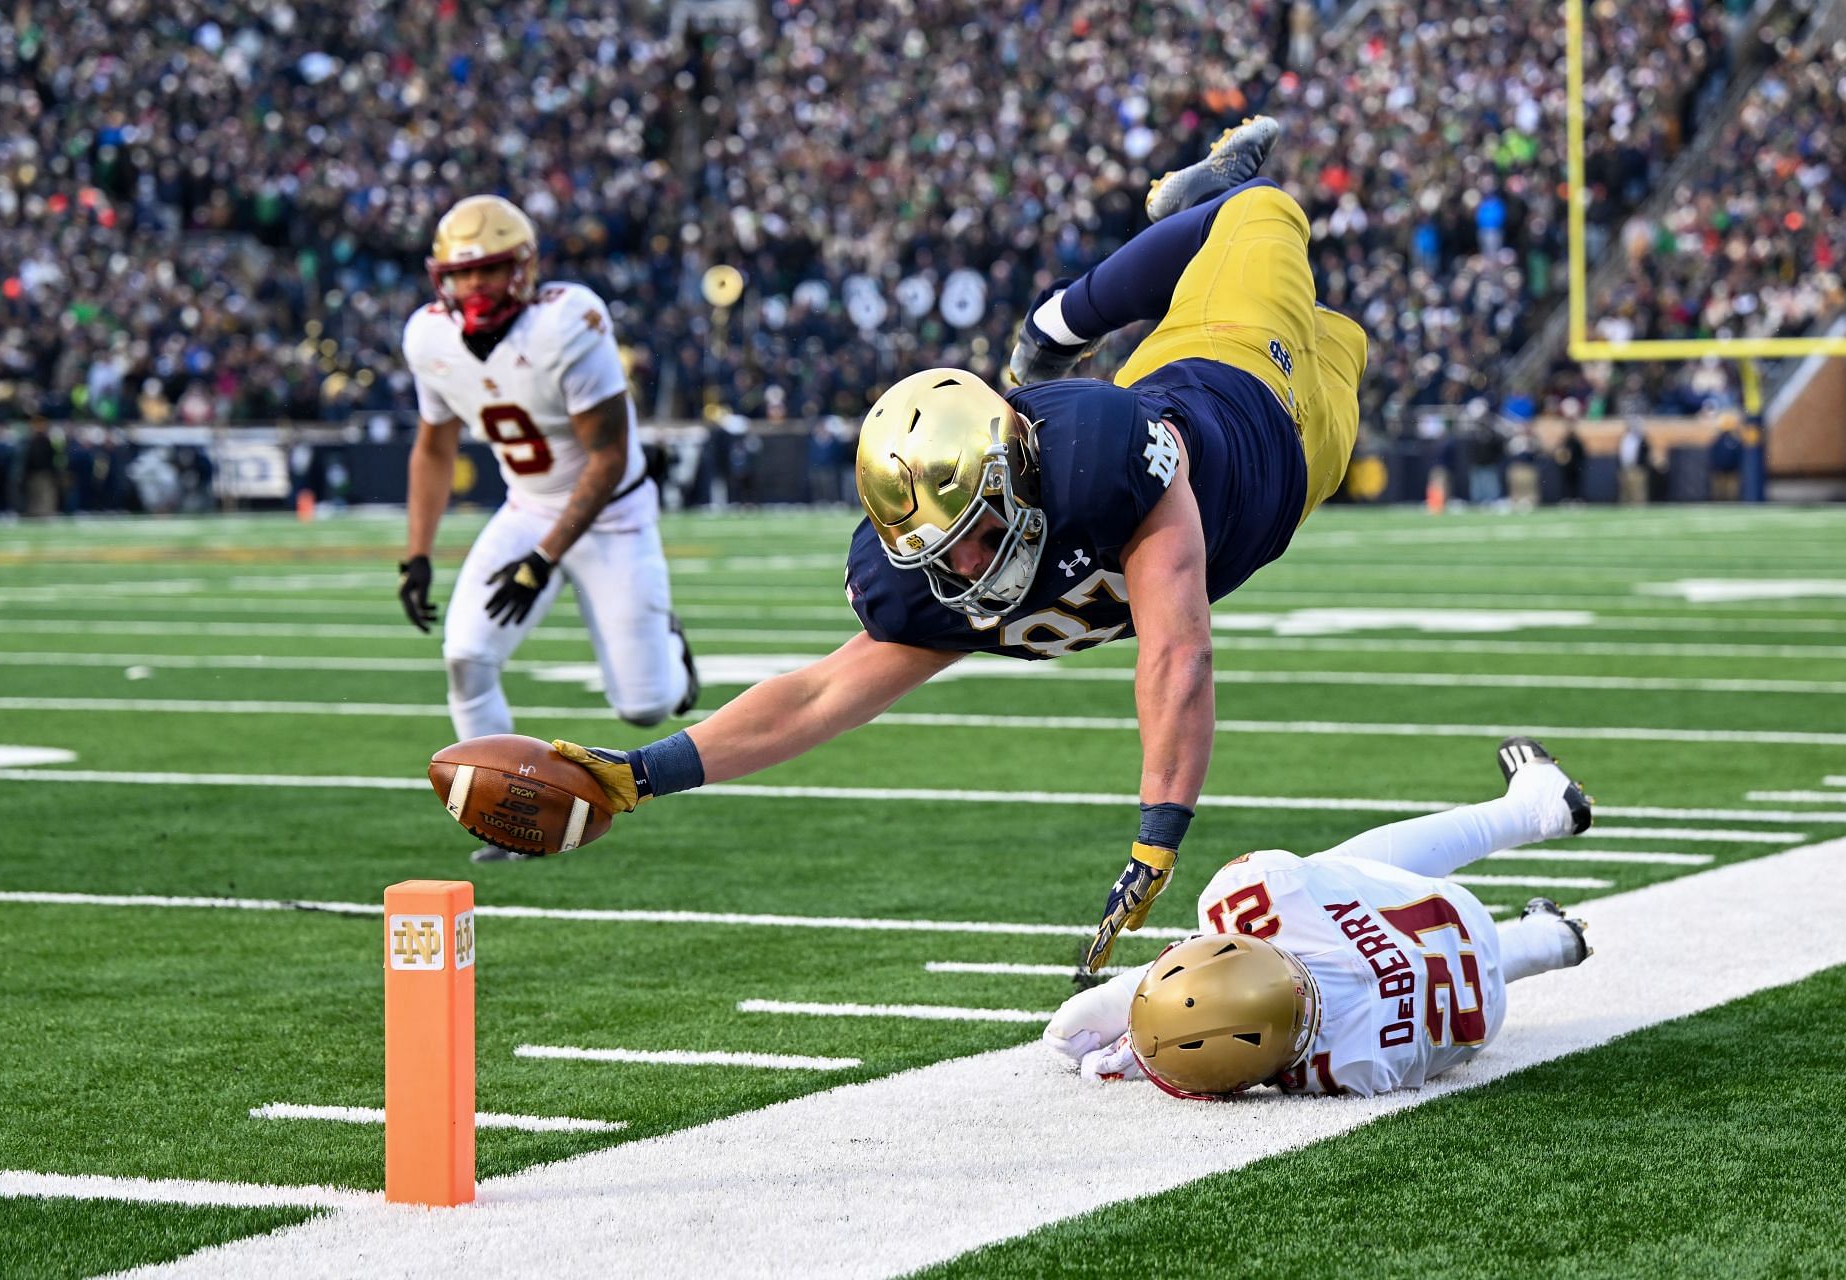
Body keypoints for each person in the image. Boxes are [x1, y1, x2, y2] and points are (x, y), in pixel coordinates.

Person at [526, 118, 1369, 970]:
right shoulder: (933, 576)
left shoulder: (1102, 463)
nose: (965, 569)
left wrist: (1157, 835)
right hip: (1306, 478)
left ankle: (1062, 313)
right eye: (940, 554)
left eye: (975, 536)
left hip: (1235, 370)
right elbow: (818, 696)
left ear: (1021, 477)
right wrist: (638, 773)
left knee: (1262, 211)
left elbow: (1178, 652)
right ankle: (1182, 252)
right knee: (1344, 336)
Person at [397, 195, 699, 862]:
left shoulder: (568, 321)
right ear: (439, 275)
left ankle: (675, 660)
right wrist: (417, 554)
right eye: (463, 273)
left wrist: (543, 559)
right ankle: (507, 819)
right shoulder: (427, 337)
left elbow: (610, 456)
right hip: (528, 505)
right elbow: (434, 447)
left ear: (525, 268)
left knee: (647, 708)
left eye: (491, 270)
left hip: (613, 514)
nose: (474, 286)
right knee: (466, 657)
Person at [1044, 737, 1594, 1099]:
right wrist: (1126, 1004)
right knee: (1333, 870)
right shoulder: (1261, 893)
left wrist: (1150, 1047)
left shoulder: (1350, 1071)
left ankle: (1551, 941)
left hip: (1484, 1011)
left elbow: (1238, 1036)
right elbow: (1217, 965)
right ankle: (1531, 810)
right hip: (1450, 913)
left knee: (1418, 956)